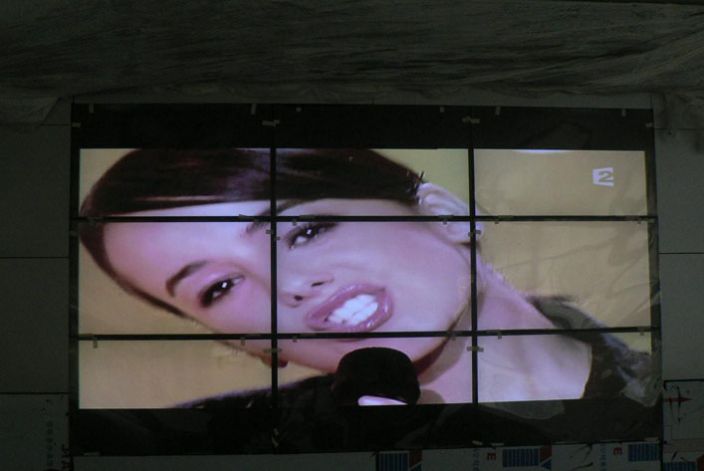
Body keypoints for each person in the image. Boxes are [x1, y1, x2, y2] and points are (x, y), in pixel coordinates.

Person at [79, 148, 655, 407]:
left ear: (445, 213)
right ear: (245, 345)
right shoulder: (213, 443)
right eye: (219, 288)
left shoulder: (671, 397)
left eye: (306, 231)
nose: (288, 284)